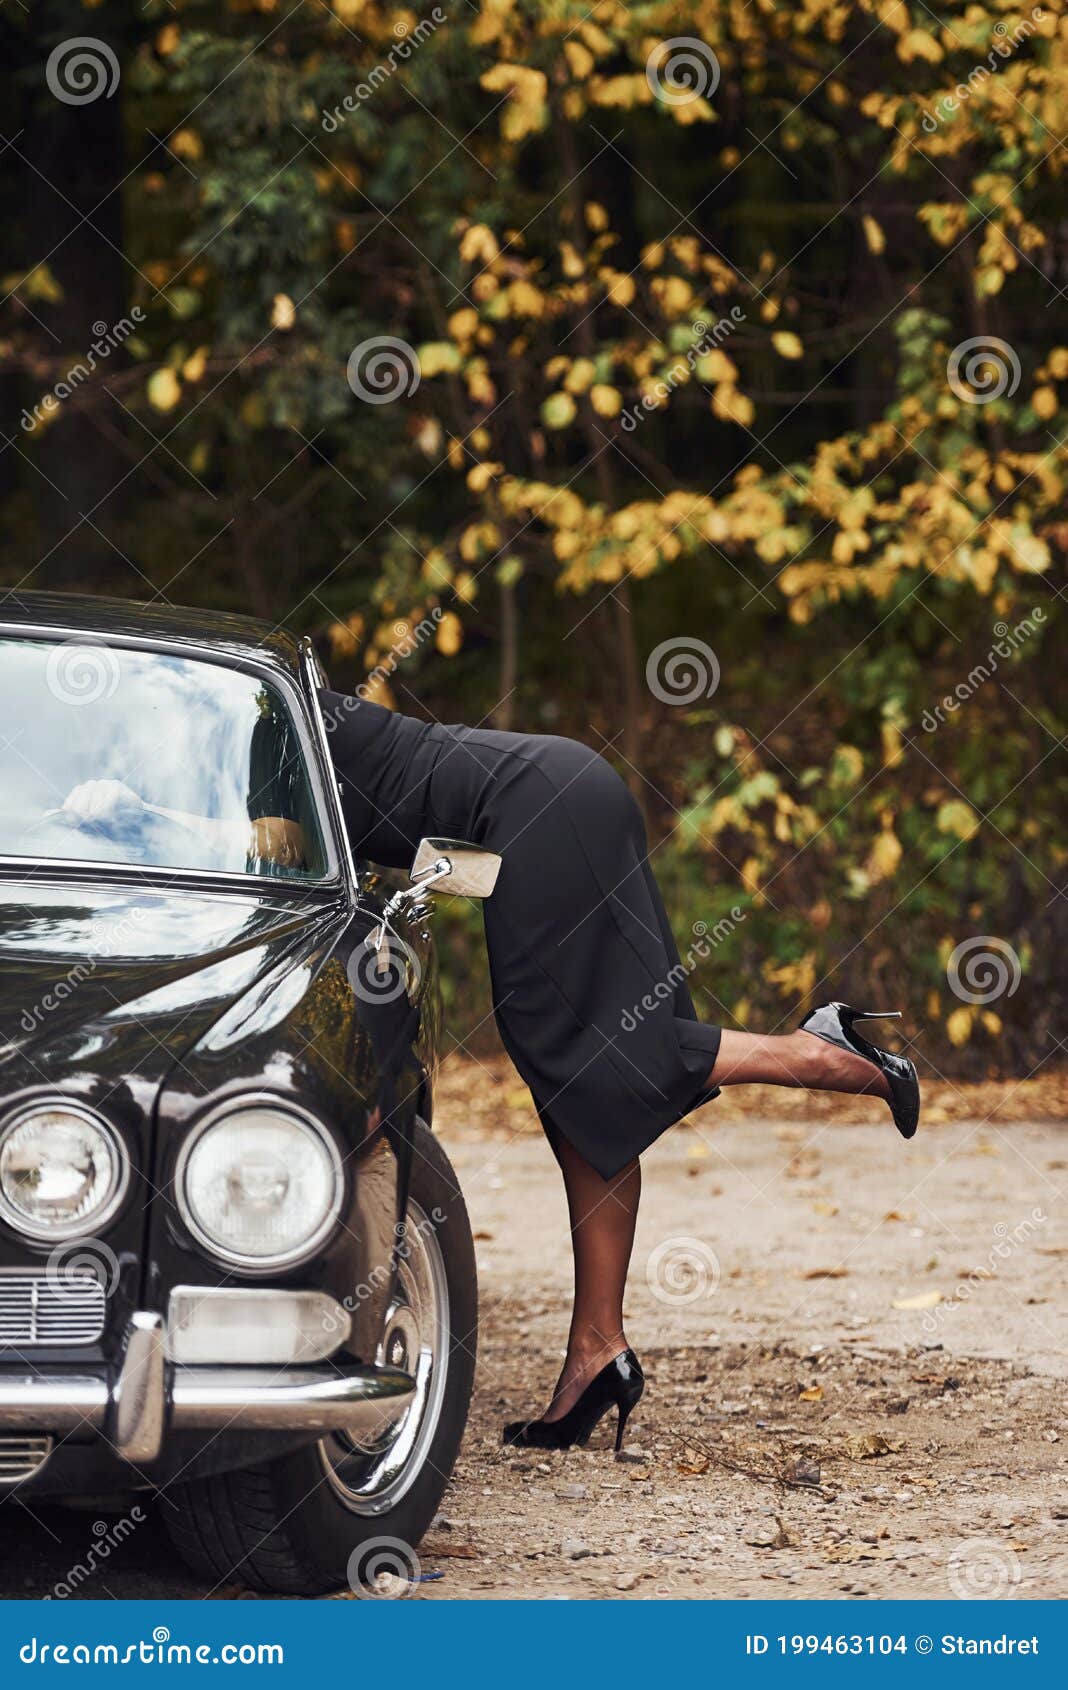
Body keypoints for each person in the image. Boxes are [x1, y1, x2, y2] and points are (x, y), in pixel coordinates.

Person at [321, 691, 920, 1452]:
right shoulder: (248, 708)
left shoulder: (245, 717)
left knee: (578, 1048)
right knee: (582, 1087)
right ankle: (597, 1349)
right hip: (563, 793)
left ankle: (817, 1053)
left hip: (537, 809)